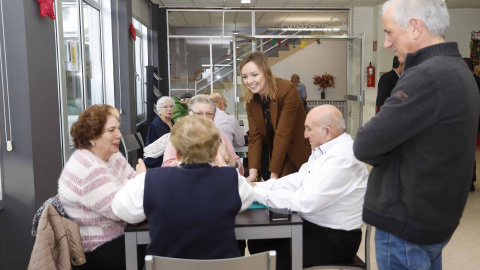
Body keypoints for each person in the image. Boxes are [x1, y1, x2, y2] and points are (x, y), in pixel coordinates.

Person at [353, 1, 480, 269]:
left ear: (414, 27)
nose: (386, 43)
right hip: (434, 218)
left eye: (389, 32)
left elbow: (365, 144)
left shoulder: (425, 76)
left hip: (406, 225)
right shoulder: (458, 70)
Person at [112, 115, 254, 260]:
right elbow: (247, 197)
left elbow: (122, 210)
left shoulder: (148, 180)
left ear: (177, 152)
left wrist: (139, 179)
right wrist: (223, 165)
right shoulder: (231, 179)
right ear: (214, 150)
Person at [248, 105, 368, 270]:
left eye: (308, 129)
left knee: (270, 256)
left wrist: (255, 192)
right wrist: (259, 186)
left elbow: (305, 202)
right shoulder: (324, 149)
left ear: (326, 132)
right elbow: (298, 179)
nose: (304, 135)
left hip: (335, 238)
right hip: (316, 227)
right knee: (258, 242)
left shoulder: (343, 158)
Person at [58, 104, 146, 270]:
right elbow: (123, 211)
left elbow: (136, 190)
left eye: (118, 129)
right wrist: (141, 179)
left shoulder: (111, 157)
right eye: (111, 130)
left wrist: (139, 183)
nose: (119, 135)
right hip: (101, 248)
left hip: (122, 234)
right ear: (92, 136)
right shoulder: (87, 168)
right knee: (163, 243)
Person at [240, 52, 310, 182]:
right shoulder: (251, 99)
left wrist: (274, 175)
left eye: (254, 75)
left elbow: (282, 134)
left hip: (294, 152)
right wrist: (252, 174)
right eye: (245, 76)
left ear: (266, 72)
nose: (249, 81)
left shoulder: (287, 89)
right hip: (273, 154)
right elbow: (254, 137)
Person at [162, 94, 244, 175]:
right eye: (199, 113)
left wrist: (227, 156)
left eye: (209, 114)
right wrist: (190, 158)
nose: (204, 117)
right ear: (189, 114)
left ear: (214, 116)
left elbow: (241, 171)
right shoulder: (179, 137)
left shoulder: (221, 138)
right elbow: (165, 169)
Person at [464, 57, 480, 191]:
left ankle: (468, 182)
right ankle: (470, 181)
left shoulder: (466, 82)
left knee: (467, 152)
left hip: (469, 122)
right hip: (475, 121)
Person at [144, 96, 175, 168]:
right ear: (159, 110)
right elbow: (170, 143)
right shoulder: (159, 124)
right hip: (157, 160)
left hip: (166, 154)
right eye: (165, 107)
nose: (169, 109)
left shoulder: (171, 120)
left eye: (171, 106)